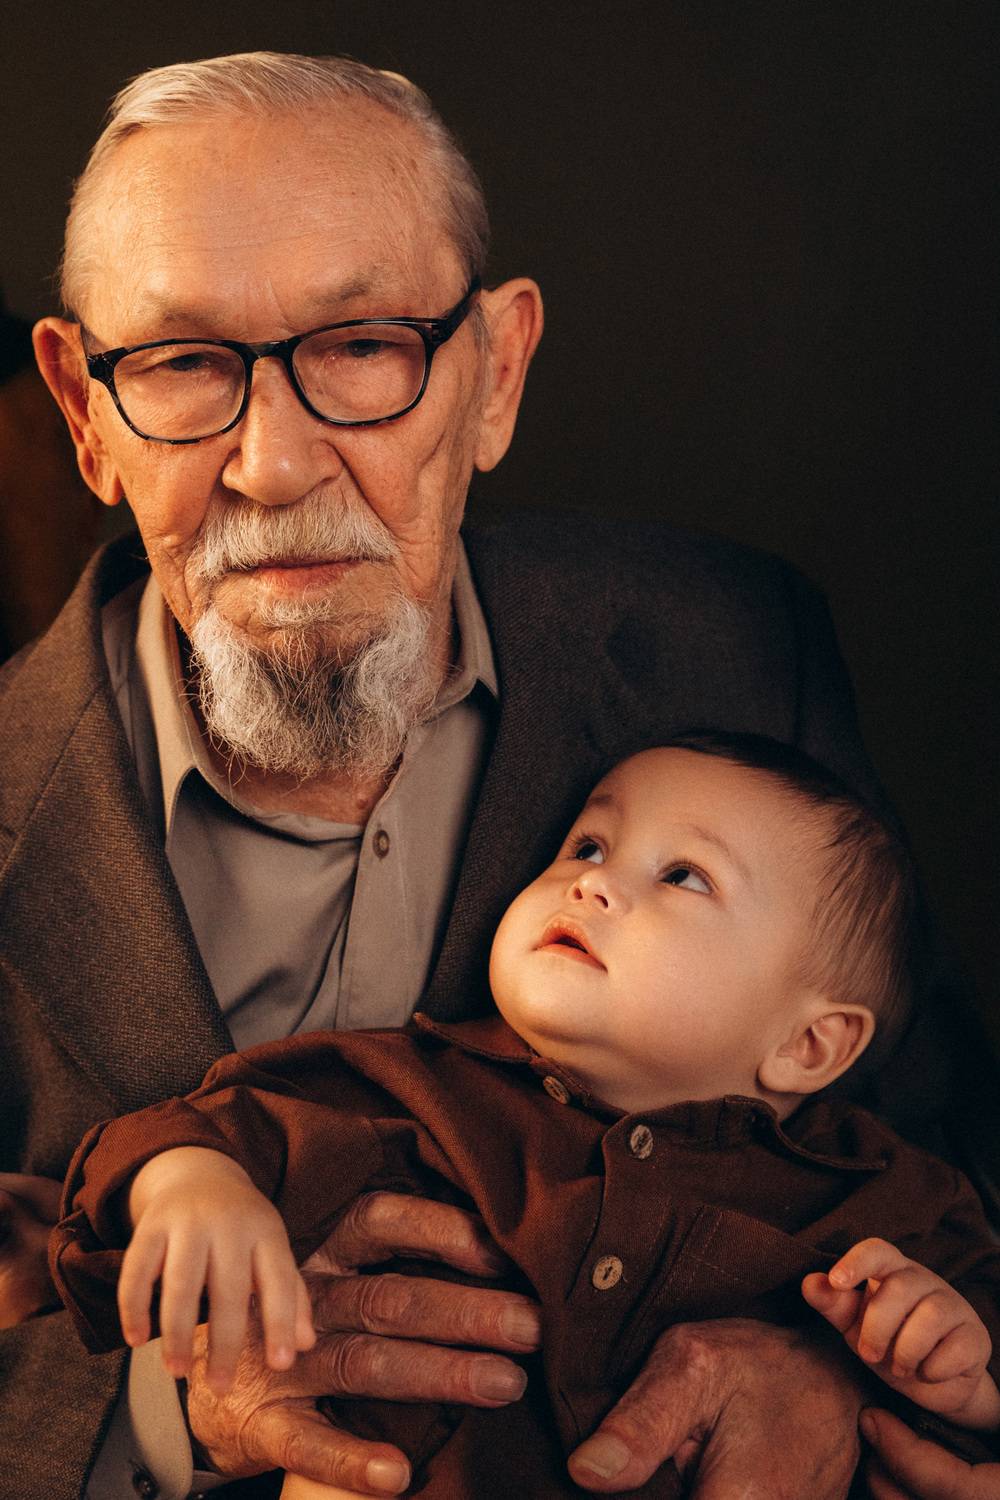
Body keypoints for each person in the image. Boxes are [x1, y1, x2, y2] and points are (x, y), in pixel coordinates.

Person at [1, 46, 994, 1500]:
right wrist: (167, 1410)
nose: (274, 465)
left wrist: (834, 1366)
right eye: (183, 363)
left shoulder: (731, 647)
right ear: (86, 414)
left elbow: (940, 1149)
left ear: (495, 375)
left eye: (360, 346)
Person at [50, 736, 1000, 1498]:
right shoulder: (417, 1090)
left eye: (683, 877)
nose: (592, 881)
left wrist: (949, 1350)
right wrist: (191, 1184)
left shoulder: (873, 1190)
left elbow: (979, 1304)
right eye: (588, 846)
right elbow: (191, 1129)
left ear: (810, 1045)